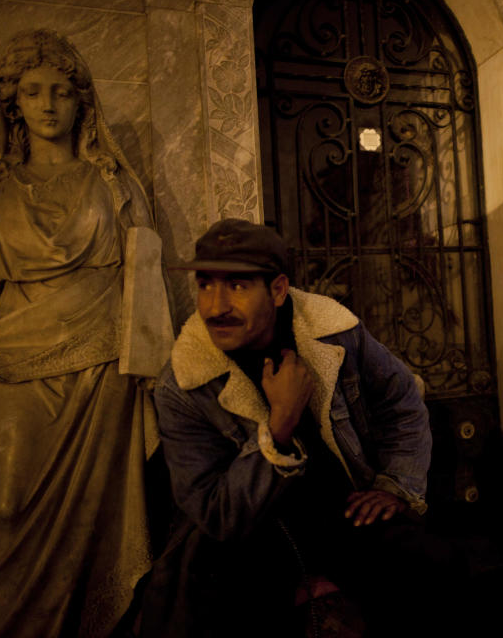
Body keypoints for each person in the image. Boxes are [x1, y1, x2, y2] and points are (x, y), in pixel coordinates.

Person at [0, 29, 163, 638]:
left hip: (101, 368)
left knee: (91, 524)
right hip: (12, 364)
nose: (47, 104)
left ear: (82, 101)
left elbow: (146, 288)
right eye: (32, 91)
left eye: (60, 92)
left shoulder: (114, 186)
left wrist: (154, 373)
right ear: (12, 104)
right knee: (0, 505)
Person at [142, 218, 459, 637]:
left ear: (277, 290)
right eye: (205, 285)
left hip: (343, 513)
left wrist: (396, 484)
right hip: (248, 541)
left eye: (236, 285)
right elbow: (217, 515)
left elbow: (402, 400)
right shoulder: (182, 383)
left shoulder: (334, 332)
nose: (215, 306)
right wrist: (279, 428)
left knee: (437, 564)